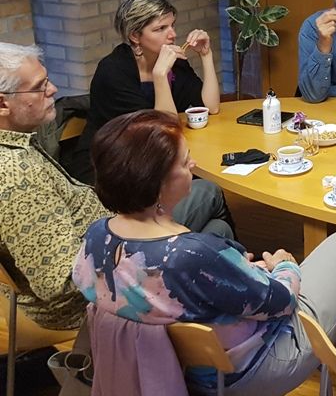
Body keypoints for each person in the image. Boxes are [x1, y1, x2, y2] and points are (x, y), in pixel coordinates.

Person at [73, 110, 336, 395]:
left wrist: (236, 271)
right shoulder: (191, 256)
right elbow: (282, 300)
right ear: (158, 184)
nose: (193, 165)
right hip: (245, 369)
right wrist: (285, 264)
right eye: (185, 162)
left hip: (170, 365)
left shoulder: (97, 235)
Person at [0, 43, 230, 331]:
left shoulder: (17, 151)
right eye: (40, 86)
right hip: (97, 300)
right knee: (208, 196)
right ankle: (221, 313)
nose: (54, 90)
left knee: (217, 231)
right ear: (2, 104)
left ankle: (219, 300)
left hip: (110, 251)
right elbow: (59, 282)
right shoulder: (18, 176)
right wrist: (132, 242)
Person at [69, 0, 221, 185]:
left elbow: (210, 107)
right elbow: (164, 130)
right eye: (161, 28)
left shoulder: (172, 62)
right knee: (202, 185)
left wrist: (206, 55)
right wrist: (160, 76)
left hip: (153, 159)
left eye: (172, 25)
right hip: (110, 168)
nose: (173, 35)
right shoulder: (113, 71)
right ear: (135, 35)